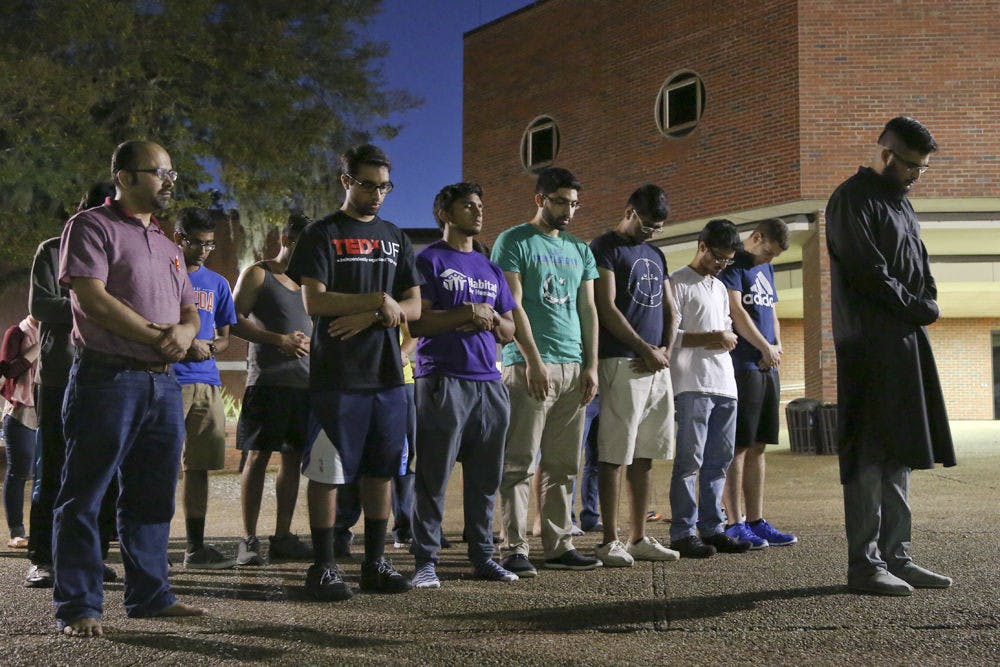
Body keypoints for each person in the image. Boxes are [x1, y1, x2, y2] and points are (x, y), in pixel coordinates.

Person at [53, 140, 204, 637]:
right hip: (107, 378)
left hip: (162, 384)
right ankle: (79, 606)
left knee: (153, 494)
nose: (168, 181)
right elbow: (93, 300)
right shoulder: (91, 227)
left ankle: (150, 596)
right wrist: (160, 338)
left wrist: (182, 334)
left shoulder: (166, 243)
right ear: (124, 175)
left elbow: (189, 308)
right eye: (159, 172)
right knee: (85, 494)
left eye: (171, 173)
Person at [825, 116, 955, 596]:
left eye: (923, 169)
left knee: (899, 448)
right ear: (886, 154)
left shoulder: (902, 206)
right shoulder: (850, 199)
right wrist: (918, 307)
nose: (916, 176)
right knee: (869, 453)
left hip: (902, 340)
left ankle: (897, 557)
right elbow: (868, 271)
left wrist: (928, 300)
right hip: (867, 344)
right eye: (911, 166)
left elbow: (920, 264)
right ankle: (864, 565)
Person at [286, 143, 422, 600]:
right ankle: (323, 567)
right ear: (346, 182)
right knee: (327, 472)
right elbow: (315, 301)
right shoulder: (322, 234)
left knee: (382, 471)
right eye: (369, 185)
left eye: (385, 186)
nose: (378, 195)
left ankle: (375, 563)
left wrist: (377, 314)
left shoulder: (396, 236)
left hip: (387, 376)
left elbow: (414, 305)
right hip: (337, 376)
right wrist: (376, 301)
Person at [491, 166, 602, 577]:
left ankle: (559, 544)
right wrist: (532, 359)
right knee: (519, 462)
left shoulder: (579, 249)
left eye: (574, 203)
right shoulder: (514, 240)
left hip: (573, 368)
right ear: (540, 199)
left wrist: (589, 365)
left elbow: (587, 309)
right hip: (529, 368)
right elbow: (513, 304)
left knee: (563, 465)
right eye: (561, 202)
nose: (569, 211)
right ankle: (515, 547)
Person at [407, 182, 519, 588]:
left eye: (480, 205)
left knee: (486, 478)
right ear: (446, 214)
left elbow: (508, 327)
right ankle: (425, 561)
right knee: (433, 477)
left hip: (488, 384)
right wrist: (465, 314)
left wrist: (491, 319)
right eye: (468, 206)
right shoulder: (429, 261)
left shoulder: (490, 268)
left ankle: (483, 556)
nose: (478, 211)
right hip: (441, 379)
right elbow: (417, 322)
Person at [25, 183, 120, 588]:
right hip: (61, 374)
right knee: (52, 468)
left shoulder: (124, 246)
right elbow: (41, 305)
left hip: (110, 372)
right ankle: (43, 557)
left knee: (104, 471)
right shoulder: (52, 248)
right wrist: (96, 305)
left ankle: (93, 555)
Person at [589, 184, 680, 566]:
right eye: (647, 225)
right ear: (629, 211)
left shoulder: (656, 253)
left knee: (646, 454)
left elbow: (672, 310)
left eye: (658, 227)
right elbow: (605, 307)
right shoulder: (604, 247)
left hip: (656, 366)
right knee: (615, 453)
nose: (651, 233)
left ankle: (639, 536)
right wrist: (644, 348)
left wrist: (665, 353)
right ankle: (609, 540)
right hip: (622, 361)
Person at [230, 213, 314, 566]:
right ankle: (248, 541)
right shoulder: (258, 274)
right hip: (267, 382)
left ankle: (282, 537)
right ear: (286, 239)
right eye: (304, 245)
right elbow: (232, 319)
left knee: (293, 460)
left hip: (305, 384)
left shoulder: (312, 284)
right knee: (258, 457)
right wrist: (277, 339)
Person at [667, 219, 752, 558]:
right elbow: (670, 338)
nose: (721, 265)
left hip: (724, 384)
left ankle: (711, 527)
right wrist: (713, 338)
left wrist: (722, 338)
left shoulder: (719, 288)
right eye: (718, 256)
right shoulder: (676, 282)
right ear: (701, 245)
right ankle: (683, 531)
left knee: (719, 461)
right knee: (689, 461)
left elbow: (728, 329)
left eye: (728, 260)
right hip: (692, 384)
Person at [719, 218, 798, 549]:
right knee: (738, 444)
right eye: (768, 251)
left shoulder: (766, 270)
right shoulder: (734, 263)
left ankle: (756, 519)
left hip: (768, 365)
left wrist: (776, 346)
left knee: (760, 444)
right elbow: (736, 310)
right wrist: (763, 348)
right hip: (744, 364)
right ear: (755, 237)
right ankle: (734, 522)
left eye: (775, 255)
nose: (770, 259)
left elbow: (773, 313)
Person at [170, 207, 239, 569]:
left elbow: (226, 337)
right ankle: (151, 546)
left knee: (198, 467)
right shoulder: (164, 274)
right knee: (160, 465)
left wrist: (210, 347)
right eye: (197, 242)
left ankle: (195, 548)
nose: (203, 250)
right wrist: (185, 345)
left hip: (207, 382)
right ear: (179, 238)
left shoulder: (218, 283)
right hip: (168, 381)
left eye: (209, 244)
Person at [1, 315, 40, 549]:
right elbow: (7, 372)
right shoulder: (17, 332)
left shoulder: (61, 330)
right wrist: (36, 350)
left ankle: (45, 531)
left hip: (48, 410)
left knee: (45, 474)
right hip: (21, 411)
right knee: (18, 472)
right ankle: (16, 531)